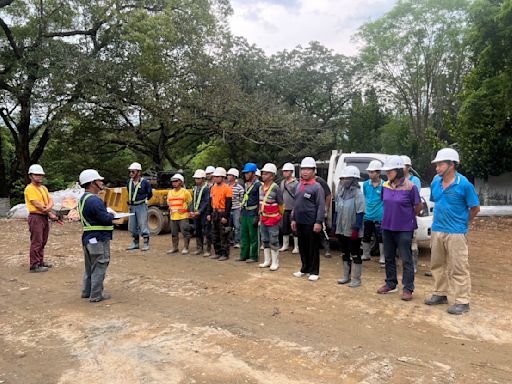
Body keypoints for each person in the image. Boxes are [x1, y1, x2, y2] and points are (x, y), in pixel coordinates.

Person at [424, 148, 480, 315]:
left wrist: (464, 223)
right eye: (437, 164)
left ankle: (463, 301)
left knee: (458, 266)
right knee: (437, 264)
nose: (437, 167)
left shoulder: (464, 184)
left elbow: (475, 208)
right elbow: (437, 202)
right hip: (437, 229)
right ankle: (440, 293)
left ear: (451, 165)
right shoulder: (435, 183)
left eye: (440, 164)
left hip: (456, 232)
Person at [377, 156, 423, 301]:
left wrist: (407, 218)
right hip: (387, 227)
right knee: (389, 257)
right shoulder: (385, 185)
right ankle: (390, 283)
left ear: (398, 170)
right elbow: (385, 202)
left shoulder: (411, 187)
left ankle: (408, 288)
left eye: (389, 171)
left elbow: (418, 206)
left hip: (404, 229)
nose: (387, 173)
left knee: (406, 258)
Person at [78, 169, 115, 302]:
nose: (101, 182)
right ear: (93, 183)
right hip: (98, 238)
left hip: (88, 238)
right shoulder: (95, 200)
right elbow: (105, 219)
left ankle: (86, 292)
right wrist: (111, 215)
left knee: (90, 266)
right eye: (99, 180)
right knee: (100, 264)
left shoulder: (83, 199)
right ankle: (96, 295)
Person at [291, 157, 325, 282]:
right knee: (302, 246)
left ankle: (314, 271)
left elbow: (321, 206)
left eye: (308, 169)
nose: (305, 172)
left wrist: (318, 222)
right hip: (299, 221)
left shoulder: (317, 187)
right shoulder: (299, 184)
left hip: (311, 222)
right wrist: (293, 219)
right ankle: (304, 268)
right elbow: (296, 203)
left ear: (313, 171)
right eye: (303, 169)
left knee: (312, 247)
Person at [24, 164, 58, 273]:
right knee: (36, 241)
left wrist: (47, 210)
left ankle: (40, 261)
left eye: (40, 175)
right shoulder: (29, 189)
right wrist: (50, 212)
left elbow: (50, 201)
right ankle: (34, 265)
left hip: (44, 216)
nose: (39, 177)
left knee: (43, 240)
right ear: (31, 176)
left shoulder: (44, 188)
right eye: (36, 175)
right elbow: (37, 204)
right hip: (36, 217)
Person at [336, 166, 365, 287]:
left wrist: (356, 228)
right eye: (342, 178)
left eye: (346, 178)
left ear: (353, 179)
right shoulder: (341, 193)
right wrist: (334, 225)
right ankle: (346, 276)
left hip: (353, 229)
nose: (343, 181)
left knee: (355, 253)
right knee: (344, 252)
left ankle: (356, 278)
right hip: (341, 228)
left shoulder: (358, 194)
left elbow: (360, 212)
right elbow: (337, 210)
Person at [258, 163, 284, 271]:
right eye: (263, 173)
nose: (263, 175)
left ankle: (275, 262)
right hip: (263, 218)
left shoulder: (275, 188)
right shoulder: (260, 187)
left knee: (274, 240)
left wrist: (279, 216)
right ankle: (267, 260)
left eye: (266, 173)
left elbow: (281, 204)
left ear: (272, 175)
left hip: (273, 219)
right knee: (265, 239)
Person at [207, 167, 233, 261]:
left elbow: (229, 204)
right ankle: (217, 252)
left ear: (222, 177)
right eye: (215, 177)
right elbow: (210, 202)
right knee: (215, 233)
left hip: (222, 213)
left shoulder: (227, 188)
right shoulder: (213, 188)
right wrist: (209, 213)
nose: (215, 178)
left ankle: (225, 254)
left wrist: (225, 216)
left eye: (218, 177)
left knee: (224, 234)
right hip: (215, 212)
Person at [362, 160, 385, 267]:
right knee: (366, 235)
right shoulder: (366, 184)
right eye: (369, 172)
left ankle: (383, 256)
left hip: (380, 216)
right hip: (368, 215)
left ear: (378, 172)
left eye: (372, 172)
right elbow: (365, 197)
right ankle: (366, 254)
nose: (370, 174)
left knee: (381, 237)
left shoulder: (385, 185)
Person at [126, 162, 153, 251]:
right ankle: (135, 242)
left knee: (143, 224)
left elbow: (149, 194)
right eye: (130, 172)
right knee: (132, 225)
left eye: (133, 172)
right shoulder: (128, 182)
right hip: (132, 206)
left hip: (141, 205)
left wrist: (144, 200)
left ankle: (146, 243)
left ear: (139, 172)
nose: (131, 174)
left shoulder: (145, 182)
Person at [402, 155, 422, 273]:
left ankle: (413, 264)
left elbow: (416, 199)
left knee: (412, 241)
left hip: (410, 215)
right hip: (400, 216)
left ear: (409, 167)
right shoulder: (395, 181)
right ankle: (405, 264)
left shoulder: (415, 181)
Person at [238, 163, 262, 263]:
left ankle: (253, 256)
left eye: (248, 173)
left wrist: (258, 216)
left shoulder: (258, 185)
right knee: (243, 235)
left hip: (253, 212)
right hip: (245, 212)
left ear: (253, 173)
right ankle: (243, 255)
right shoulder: (245, 185)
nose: (246, 175)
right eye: (245, 173)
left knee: (253, 236)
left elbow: (260, 201)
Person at [167, 174, 192, 254]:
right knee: (174, 233)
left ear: (181, 182)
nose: (174, 183)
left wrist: (186, 210)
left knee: (185, 232)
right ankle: (175, 247)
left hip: (183, 216)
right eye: (173, 181)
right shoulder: (170, 192)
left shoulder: (185, 192)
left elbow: (190, 203)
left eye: (176, 181)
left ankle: (186, 248)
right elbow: (169, 203)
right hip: (173, 216)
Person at [279, 163, 299, 254]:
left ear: (291, 172)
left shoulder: (296, 183)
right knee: (284, 227)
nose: (285, 173)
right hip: (284, 208)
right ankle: (285, 245)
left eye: (286, 171)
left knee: (294, 228)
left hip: (293, 208)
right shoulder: (282, 182)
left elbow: (298, 197)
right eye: (284, 171)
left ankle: (296, 246)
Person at [190, 169, 210, 256]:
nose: (196, 180)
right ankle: (199, 248)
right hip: (196, 212)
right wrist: (191, 210)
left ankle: (208, 250)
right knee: (197, 230)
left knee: (206, 231)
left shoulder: (206, 189)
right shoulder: (195, 189)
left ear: (203, 179)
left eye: (198, 179)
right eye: (196, 179)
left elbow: (206, 202)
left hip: (204, 213)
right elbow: (193, 200)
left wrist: (200, 211)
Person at [315, 175, 332, 258]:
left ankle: (327, 249)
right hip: (310, 210)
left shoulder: (320, 181)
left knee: (322, 230)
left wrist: (326, 208)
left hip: (319, 208)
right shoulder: (303, 181)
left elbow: (328, 195)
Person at [227, 168, 244, 248]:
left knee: (237, 226)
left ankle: (237, 242)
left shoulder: (239, 187)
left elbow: (242, 198)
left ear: (234, 176)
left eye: (230, 175)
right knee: (228, 225)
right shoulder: (226, 187)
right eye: (228, 175)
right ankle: (230, 240)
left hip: (236, 208)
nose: (228, 176)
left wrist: (240, 207)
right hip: (228, 208)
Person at [204, 165, 216, 255]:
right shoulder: (205, 186)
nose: (208, 175)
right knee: (207, 228)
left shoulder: (216, 186)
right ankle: (208, 246)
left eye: (209, 174)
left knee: (215, 229)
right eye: (207, 174)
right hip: (206, 210)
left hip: (215, 209)